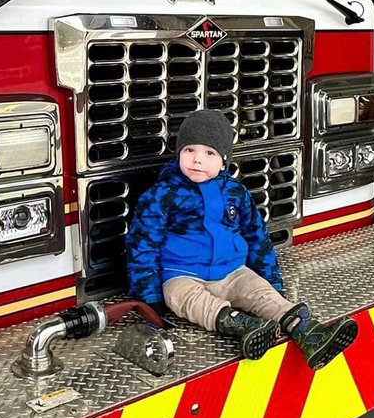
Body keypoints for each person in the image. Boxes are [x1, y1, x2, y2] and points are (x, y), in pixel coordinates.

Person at [126, 108, 358, 369]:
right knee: (185, 298)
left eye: (209, 153)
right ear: (179, 153)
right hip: (181, 273)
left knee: (261, 294)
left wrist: (272, 280)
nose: (197, 160)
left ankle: (312, 335)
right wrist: (149, 297)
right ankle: (243, 325)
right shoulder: (162, 194)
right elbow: (142, 245)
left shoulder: (236, 193)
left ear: (224, 161)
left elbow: (257, 238)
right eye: (189, 150)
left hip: (233, 272)